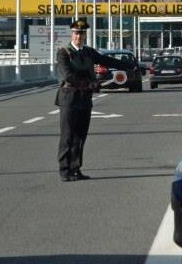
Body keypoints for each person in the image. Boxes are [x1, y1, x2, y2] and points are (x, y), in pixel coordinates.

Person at [55, 19, 135, 182]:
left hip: (85, 99)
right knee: (67, 136)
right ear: (72, 34)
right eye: (76, 33)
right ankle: (65, 170)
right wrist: (89, 84)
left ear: (85, 35)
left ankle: (76, 169)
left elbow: (106, 60)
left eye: (82, 33)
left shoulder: (89, 52)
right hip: (69, 98)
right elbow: (68, 75)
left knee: (81, 136)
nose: (79, 36)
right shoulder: (63, 52)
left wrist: (128, 66)